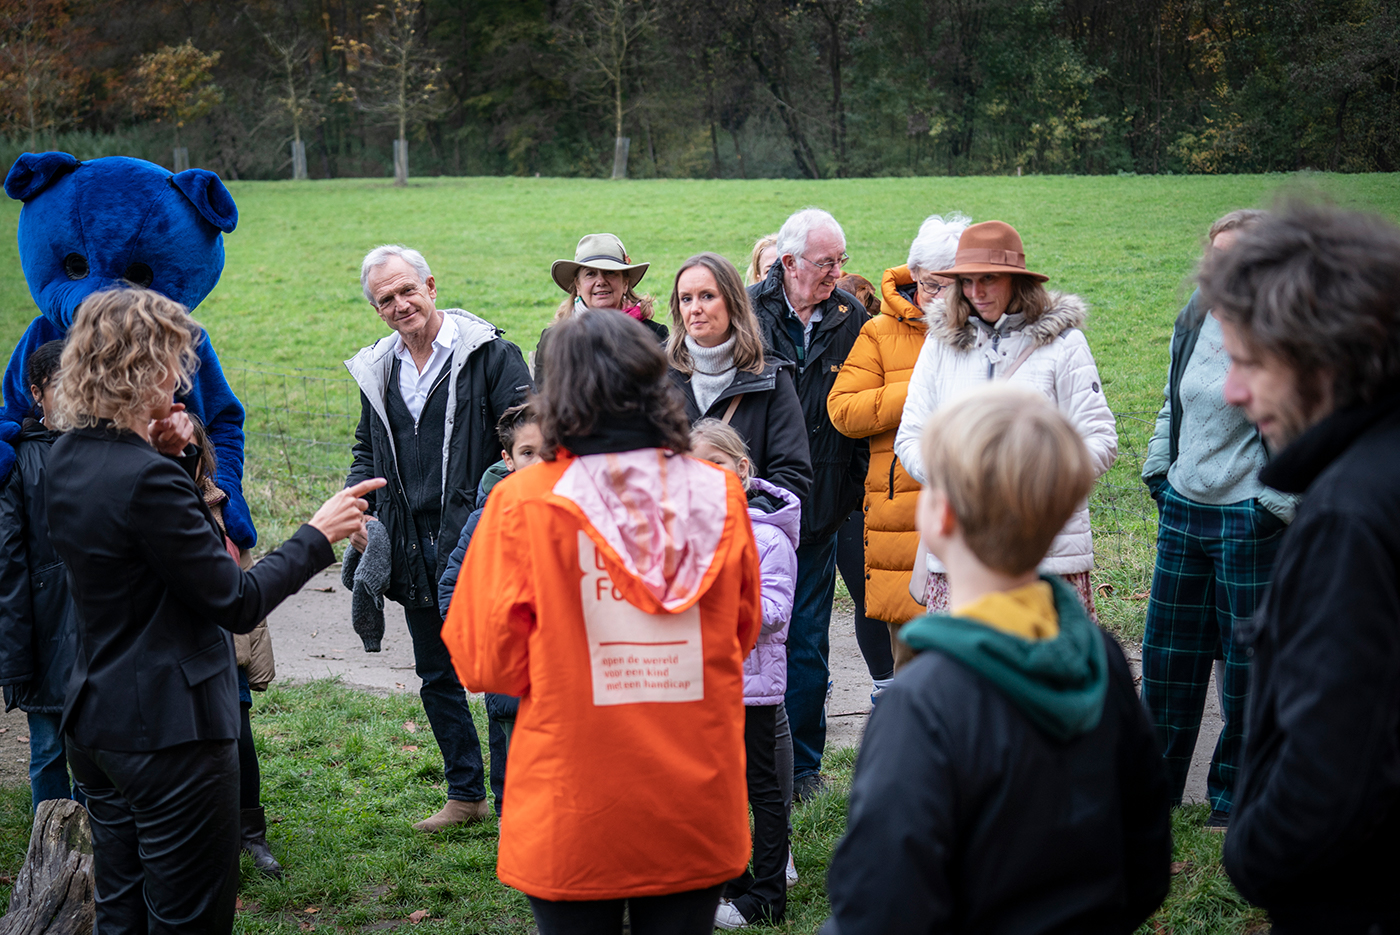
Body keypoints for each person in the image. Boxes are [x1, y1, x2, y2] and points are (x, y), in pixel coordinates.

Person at [43, 287, 381, 935]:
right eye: (172, 360)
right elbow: (236, 599)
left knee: (122, 906)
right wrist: (318, 533)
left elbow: (144, 554)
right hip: (172, 733)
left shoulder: (66, 457)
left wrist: (175, 454)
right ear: (144, 368)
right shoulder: (147, 477)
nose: (180, 376)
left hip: (94, 720)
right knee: (189, 918)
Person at [441, 311, 760, 935]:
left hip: (573, 792)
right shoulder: (718, 495)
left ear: (557, 395)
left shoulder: (521, 503)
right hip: (692, 793)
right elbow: (739, 632)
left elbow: (484, 662)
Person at [821, 386, 1172, 935]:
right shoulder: (1098, 657)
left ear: (939, 518)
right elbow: (1147, 863)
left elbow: (879, 907)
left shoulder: (921, 704)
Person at [1201, 205, 1400, 933]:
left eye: (1250, 362)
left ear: (1327, 356)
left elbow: (1336, 766)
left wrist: (1252, 854)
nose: (1232, 391)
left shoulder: (1350, 513)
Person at [345, 243, 533, 832]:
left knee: (505, 680)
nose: (400, 305)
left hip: (481, 539)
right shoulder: (377, 370)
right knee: (437, 674)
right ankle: (466, 793)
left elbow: (529, 434)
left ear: (431, 284)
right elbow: (364, 450)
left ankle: (518, 804)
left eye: (407, 291)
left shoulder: (491, 355)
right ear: (377, 309)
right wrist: (357, 508)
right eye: (386, 299)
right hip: (411, 543)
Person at [1138, 209, 1297, 831]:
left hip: (1249, 516)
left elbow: (1309, 423)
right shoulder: (1198, 313)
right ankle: (1156, 793)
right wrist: (1160, 470)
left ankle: (1232, 801)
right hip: (1183, 508)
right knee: (1167, 660)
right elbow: (1173, 396)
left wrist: (1274, 506)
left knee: (1248, 669)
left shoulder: (1286, 328)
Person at [893, 220, 1117, 618]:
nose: (976, 293)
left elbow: (1098, 438)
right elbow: (911, 435)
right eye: (967, 281)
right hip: (961, 553)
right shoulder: (941, 345)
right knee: (959, 677)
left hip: (1045, 556)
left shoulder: (1063, 345)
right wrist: (959, 480)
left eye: (989, 279)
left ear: (1016, 281)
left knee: (1041, 676)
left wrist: (1033, 485)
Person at [748, 207, 869, 800]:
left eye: (840, 261)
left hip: (821, 509)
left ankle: (803, 766)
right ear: (789, 263)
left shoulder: (852, 317)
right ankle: (751, 760)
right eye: (827, 263)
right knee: (748, 638)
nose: (836, 273)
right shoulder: (746, 311)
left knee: (808, 640)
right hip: (755, 511)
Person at [829, 213, 971, 679]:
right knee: (910, 657)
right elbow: (844, 410)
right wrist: (918, 388)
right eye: (932, 286)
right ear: (913, 278)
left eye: (954, 286)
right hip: (901, 514)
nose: (942, 298)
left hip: (975, 511)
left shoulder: (987, 327)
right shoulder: (878, 332)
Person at [691, 419, 798, 931]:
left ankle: (769, 893)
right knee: (718, 790)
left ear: (741, 469)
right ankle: (731, 879)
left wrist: (717, 599)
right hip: (702, 684)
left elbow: (774, 610)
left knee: (764, 791)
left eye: (715, 464)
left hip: (753, 687)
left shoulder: (769, 538)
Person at [436, 401, 547, 816]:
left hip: (567, 685)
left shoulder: (585, 516)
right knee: (516, 787)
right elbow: (454, 587)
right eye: (527, 453)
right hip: (511, 680)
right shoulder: (486, 521)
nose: (539, 462)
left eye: (548, 451)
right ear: (508, 459)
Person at [185, 413, 282, 879]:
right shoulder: (148, 502)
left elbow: (244, 584)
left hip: (227, 653)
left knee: (239, 741)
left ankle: (251, 835)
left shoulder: (222, 507)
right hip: (179, 656)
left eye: (191, 447)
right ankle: (203, 837)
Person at [0, 339, 82, 809]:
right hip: (44, 632)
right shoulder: (19, 463)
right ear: (36, 392)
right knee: (49, 750)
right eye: (60, 387)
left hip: (96, 628)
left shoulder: (105, 449)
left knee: (97, 750)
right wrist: (15, 657)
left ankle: (102, 854)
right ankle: (51, 853)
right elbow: (9, 567)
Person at [667, 251, 812, 500]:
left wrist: (748, 518)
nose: (695, 309)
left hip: (745, 529)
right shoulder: (654, 374)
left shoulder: (771, 378)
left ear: (733, 302)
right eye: (686, 299)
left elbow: (791, 474)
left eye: (707, 296)